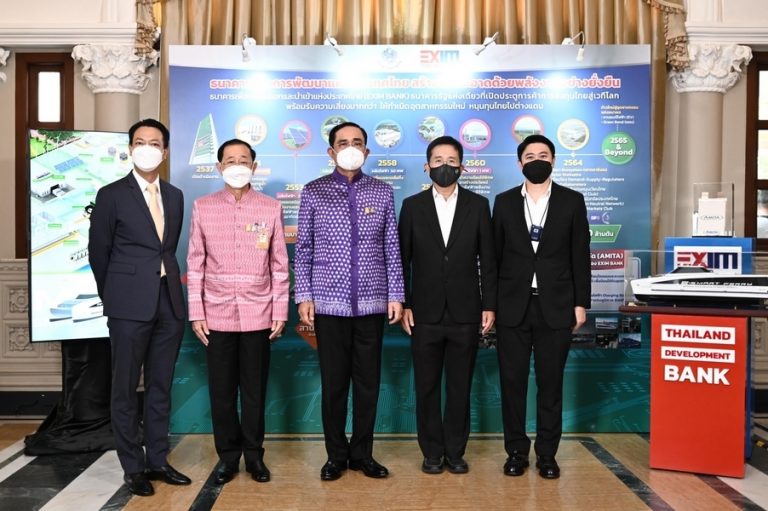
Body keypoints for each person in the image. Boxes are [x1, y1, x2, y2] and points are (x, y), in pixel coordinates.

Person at [295, 121, 404, 481]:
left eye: (357, 142)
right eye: (343, 143)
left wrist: (396, 294)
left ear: (367, 151)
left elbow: (391, 247)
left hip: (372, 303)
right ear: (331, 151)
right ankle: (335, 456)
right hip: (329, 303)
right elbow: (304, 248)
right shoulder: (314, 191)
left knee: (368, 384)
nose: (350, 147)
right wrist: (304, 295)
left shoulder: (382, 192)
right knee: (334, 384)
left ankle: (363, 454)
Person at [88, 119, 190, 497]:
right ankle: (133, 467)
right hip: (127, 303)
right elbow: (99, 252)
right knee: (126, 388)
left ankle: (158, 460)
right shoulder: (111, 194)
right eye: (140, 142)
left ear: (165, 151)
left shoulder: (175, 195)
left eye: (155, 142)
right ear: (131, 149)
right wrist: (115, 295)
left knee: (161, 385)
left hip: (169, 302)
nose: (147, 148)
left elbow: (167, 248)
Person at [186, 139, 289, 485]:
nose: (237, 165)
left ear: (254, 166)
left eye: (243, 160)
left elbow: (279, 265)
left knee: (255, 391)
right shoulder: (203, 207)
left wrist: (279, 311)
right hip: (216, 314)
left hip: (259, 313)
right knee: (222, 392)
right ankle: (228, 458)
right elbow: (195, 263)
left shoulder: (270, 207)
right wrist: (196, 312)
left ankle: (254, 456)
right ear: (219, 167)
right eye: (230, 160)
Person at [492, 134, 591, 480]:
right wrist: (491, 305)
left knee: (551, 384)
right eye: (530, 155)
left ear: (554, 161)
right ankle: (516, 452)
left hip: (557, 306)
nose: (537, 160)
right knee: (512, 384)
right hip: (512, 308)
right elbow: (494, 259)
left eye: (543, 155)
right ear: (519, 163)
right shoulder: (504, 202)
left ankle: (547, 454)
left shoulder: (572, 201)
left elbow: (580, 255)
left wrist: (581, 303)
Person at [398, 135, 496, 475]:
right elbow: (402, 260)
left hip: (466, 312)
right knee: (426, 387)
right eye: (438, 160)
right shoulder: (412, 206)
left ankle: (455, 451)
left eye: (451, 161)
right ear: (427, 167)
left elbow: (489, 261)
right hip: (423, 313)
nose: (445, 166)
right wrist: (405, 303)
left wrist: (489, 305)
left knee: (459, 386)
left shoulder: (478, 205)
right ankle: (431, 452)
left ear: (462, 167)